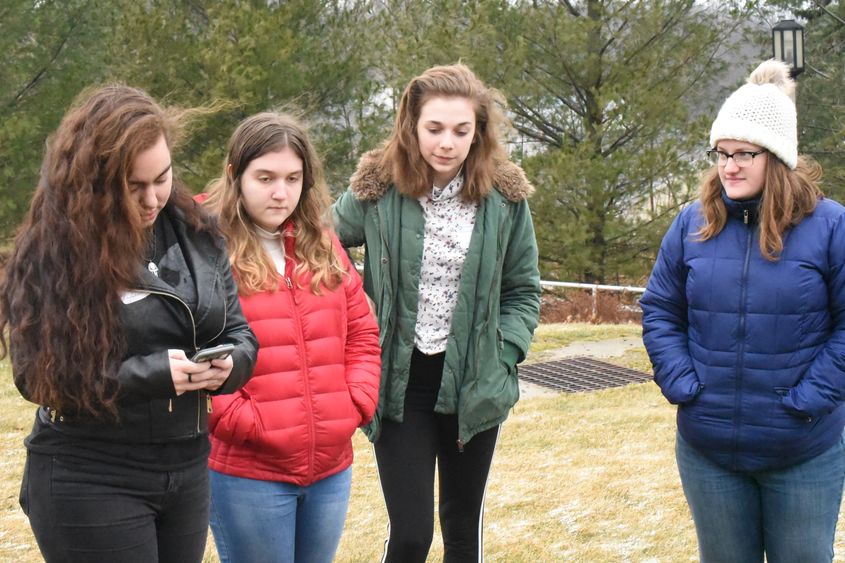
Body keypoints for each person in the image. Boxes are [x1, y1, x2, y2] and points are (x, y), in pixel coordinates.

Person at [0, 85, 258, 562]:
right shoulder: (53, 249)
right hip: (91, 471)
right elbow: (36, 377)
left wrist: (231, 364)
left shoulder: (197, 232)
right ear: (94, 182)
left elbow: (239, 332)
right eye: (132, 186)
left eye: (162, 178)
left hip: (186, 464)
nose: (152, 198)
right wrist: (156, 374)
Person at [332, 63, 541, 562]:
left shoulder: (506, 198)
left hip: (475, 380)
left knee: (463, 528)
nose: (446, 142)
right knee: (411, 535)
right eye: (434, 128)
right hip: (401, 383)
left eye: (460, 130)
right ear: (411, 125)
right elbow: (323, 256)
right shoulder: (376, 188)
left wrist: (503, 351)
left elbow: (523, 290)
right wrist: (357, 327)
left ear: (478, 132)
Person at [641, 59, 845, 562]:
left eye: (743, 154)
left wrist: (806, 400)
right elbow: (661, 310)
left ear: (776, 157)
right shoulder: (691, 223)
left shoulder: (831, 226)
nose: (728, 166)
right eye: (721, 153)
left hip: (802, 450)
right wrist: (684, 385)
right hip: (709, 451)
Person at [200, 112, 381, 563]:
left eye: (293, 178)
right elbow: (195, 347)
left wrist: (354, 404)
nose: (281, 192)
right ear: (234, 175)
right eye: (265, 177)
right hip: (248, 470)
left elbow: (361, 333)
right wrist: (248, 423)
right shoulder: (205, 249)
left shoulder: (322, 242)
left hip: (330, 467)